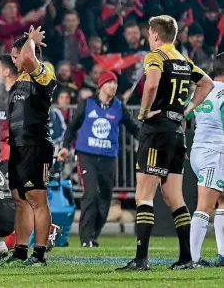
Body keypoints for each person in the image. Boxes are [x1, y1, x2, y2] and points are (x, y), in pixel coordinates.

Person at [117, 15, 214, 271]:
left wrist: (143, 112)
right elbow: (207, 83)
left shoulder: (155, 57)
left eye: (149, 34)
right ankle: (186, 258)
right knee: (174, 197)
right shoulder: (183, 60)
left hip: (157, 130)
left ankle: (141, 259)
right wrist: (187, 111)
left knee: (144, 196)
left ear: (156, 35)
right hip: (176, 132)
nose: (149, 38)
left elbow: (151, 84)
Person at [57, 71, 140, 247]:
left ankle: (94, 235)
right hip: (86, 156)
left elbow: (133, 128)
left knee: (105, 198)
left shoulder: (118, 106)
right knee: (91, 193)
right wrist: (65, 147)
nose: (114, 86)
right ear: (101, 85)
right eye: (110, 82)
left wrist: (149, 141)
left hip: (108, 158)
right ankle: (85, 237)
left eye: (115, 83)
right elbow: (72, 127)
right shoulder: (87, 104)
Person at [5, 27, 56, 266]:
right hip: (18, 147)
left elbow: (27, 58)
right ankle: (21, 251)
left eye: (15, 55)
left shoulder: (44, 74)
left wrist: (31, 41)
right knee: (19, 198)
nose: (14, 60)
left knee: (37, 198)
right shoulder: (18, 82)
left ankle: (40, 253)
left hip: (36, 145)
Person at [188, 53, 224, 267]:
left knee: (222, 200)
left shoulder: (202, 89)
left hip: (199, 150)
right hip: (214, 153)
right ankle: (193, 259)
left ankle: (222, 254)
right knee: (205, 206)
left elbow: (185, 115)